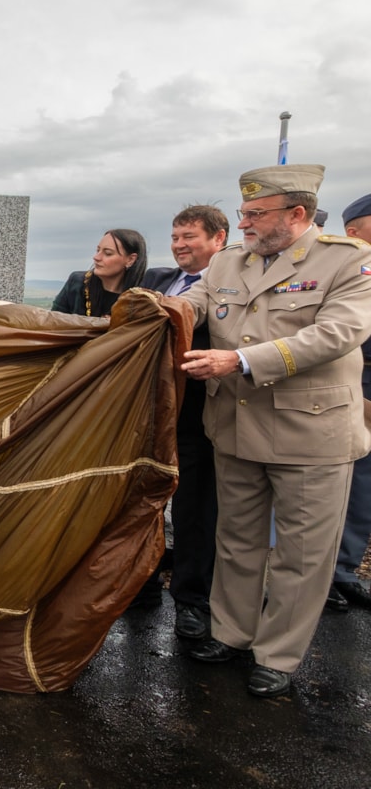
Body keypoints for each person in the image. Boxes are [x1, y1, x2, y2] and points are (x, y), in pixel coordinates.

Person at [178, 164, 371, 698]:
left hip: (310, 433)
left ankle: (278, 655)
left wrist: (239, 359)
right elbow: (192, 305)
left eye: (255, 214)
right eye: (243, 213)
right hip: (235, 426)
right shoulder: (227, 262)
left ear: (297, 215)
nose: (244, 223)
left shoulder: (348, 260)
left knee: (301, 553)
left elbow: (339, 332)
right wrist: (155, 310)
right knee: (237, 541)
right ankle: (231, 633)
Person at [139, 205, 229, 639]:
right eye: (175, 237)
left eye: (189, 237)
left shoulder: (226, 284)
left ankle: (193, 601)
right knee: (144, 501)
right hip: (149, 413)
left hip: (197, 414)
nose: (179, 246)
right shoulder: (156, 280)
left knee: (194, 510)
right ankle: (142, 582)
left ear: (219, 238)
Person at [326, 192, 371, 611]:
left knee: (365, 488)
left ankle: (347, 568)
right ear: (354, 230)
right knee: (349, 480)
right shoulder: (345, 270)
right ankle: (332, 573)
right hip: (356, 381)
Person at [51, 229, 148, 317]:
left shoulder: (141, 298)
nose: (96, 257)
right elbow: (53, 322)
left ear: (130, 260)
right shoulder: (77, 282)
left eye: (108, 253)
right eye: (98, 250)